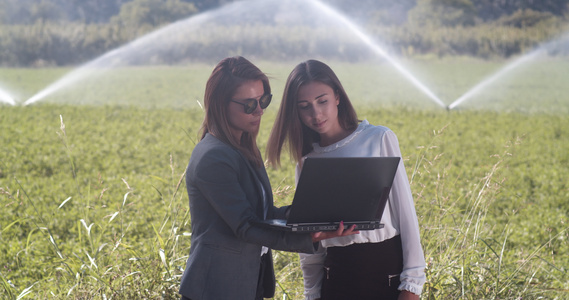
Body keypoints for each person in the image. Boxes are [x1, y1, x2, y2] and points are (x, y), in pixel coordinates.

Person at [178, 56, 358, 300]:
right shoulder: (214, 157)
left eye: (264, 100)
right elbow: (245, 226)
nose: (260, 110)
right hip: (216, 288)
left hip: (246, 284)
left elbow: (263, 214)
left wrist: (313, 214)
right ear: (221, 104)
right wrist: (307, 236)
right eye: (249, 104)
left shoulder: (242, 147)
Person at [266, 59, 426, 300]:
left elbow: (407, 216)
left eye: (322, 101)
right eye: (304, 106)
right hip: (336, 283)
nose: (316, 114)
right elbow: (311, 245)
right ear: (295, 111)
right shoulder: (307, 160)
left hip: (387, 279)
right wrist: (312, 294)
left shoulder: (379, 139)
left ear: (338, 96)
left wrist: (411, 285)